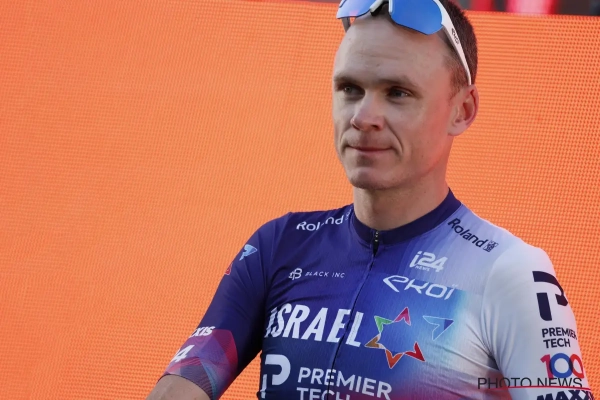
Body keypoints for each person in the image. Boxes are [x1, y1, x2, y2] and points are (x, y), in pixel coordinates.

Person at [147, 0, 592, 399]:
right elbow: (185, 383)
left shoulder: (511, 272)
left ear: (463, 110)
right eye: (350, 89)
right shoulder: (278, 245)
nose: (363, 117)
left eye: (398, 93)